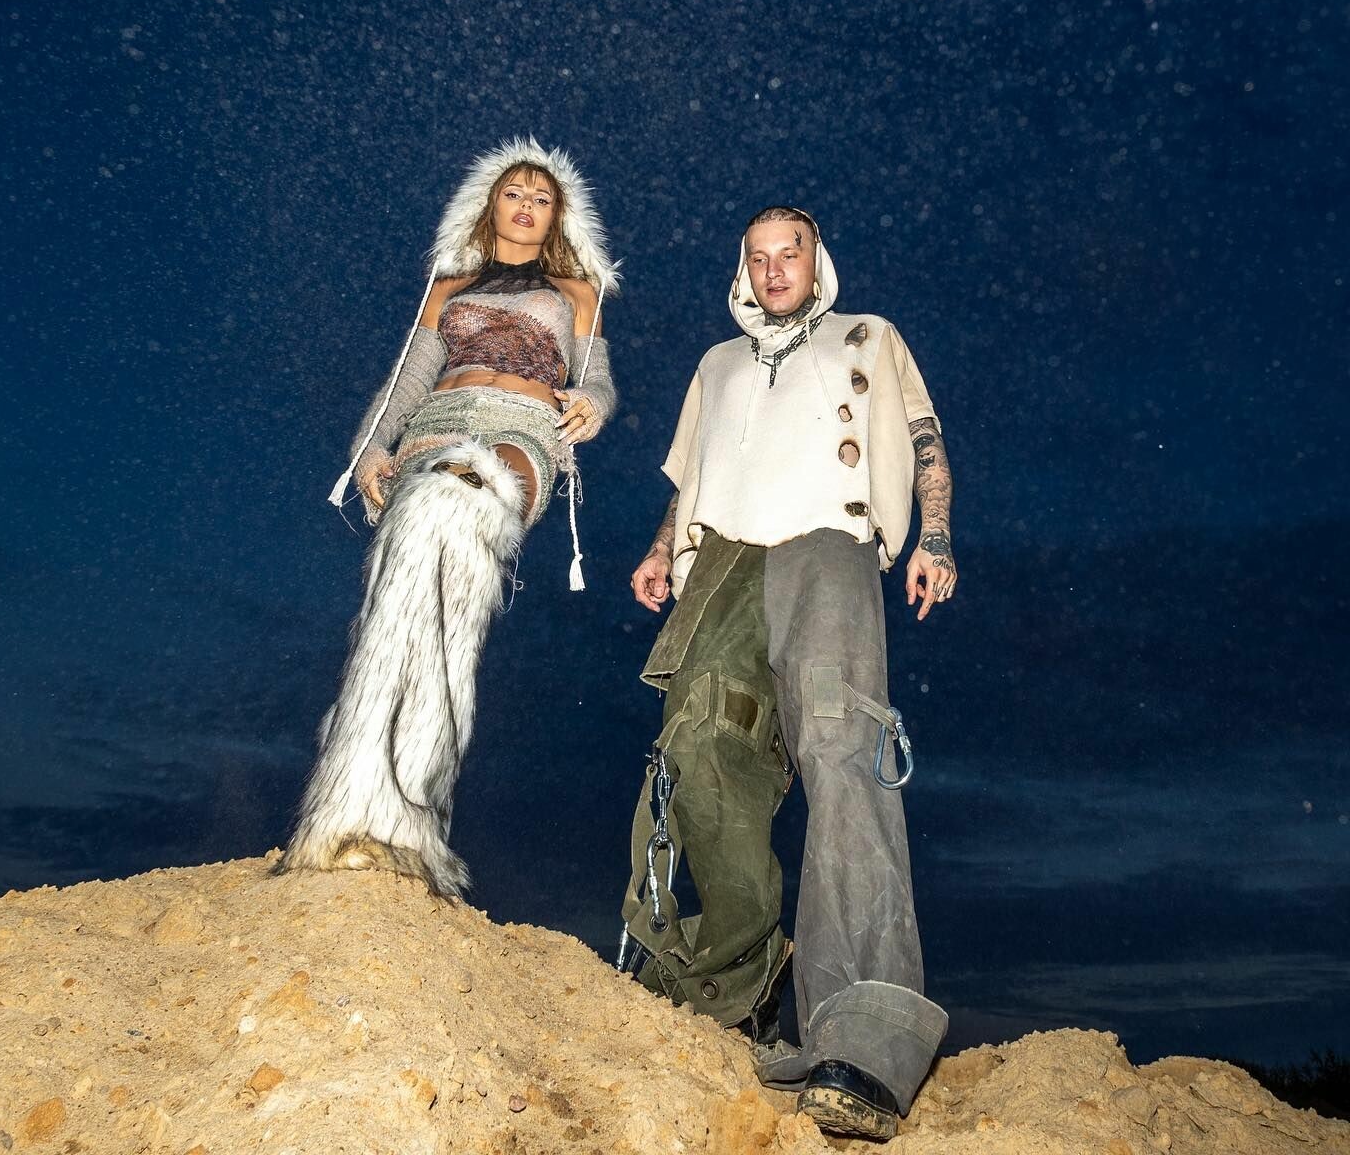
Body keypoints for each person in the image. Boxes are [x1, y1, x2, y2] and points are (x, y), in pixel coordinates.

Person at [617, 206, 955, 1141]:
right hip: (722, 563)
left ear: (817, 262)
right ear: (743, 270)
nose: (774, 270)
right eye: (758, 258)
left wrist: (934, 537)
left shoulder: (868, 336)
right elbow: (689, 478)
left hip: (828, 544)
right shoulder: (716, 365)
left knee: (843, 754)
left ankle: (865, 1038)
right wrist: (663, 549)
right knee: (700, 756)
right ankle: (741, 983)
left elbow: (925, 440)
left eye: (789, 253)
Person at [275, 137, 619, 898]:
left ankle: (391, 808)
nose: (526, 206)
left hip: (523, 430)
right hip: (436, 423)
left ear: (557, 216)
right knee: (412, 604)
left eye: (541, 198)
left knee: (454, 499)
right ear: (489, 204)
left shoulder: (577, 291)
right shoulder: (449, 287)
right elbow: (406, 382)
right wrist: (369, 451)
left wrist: (593, 405)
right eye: (514, 193)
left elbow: (596, 377)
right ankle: (367, 819)